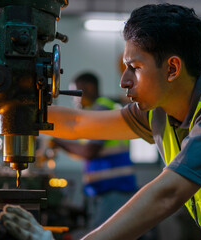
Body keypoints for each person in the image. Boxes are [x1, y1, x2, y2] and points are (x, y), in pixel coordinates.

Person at [0, 3, 201, 240]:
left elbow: (167, 194)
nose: (124, 81)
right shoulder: (160, 112)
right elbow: (77, 124)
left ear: (172, 68)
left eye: (134, 67)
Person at [51, 72, 138, 231]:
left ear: (89, 88)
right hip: (106, 191)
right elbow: (85, 154)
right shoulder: (96, 111)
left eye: (75, 92)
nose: (73, 99)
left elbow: (89, 151)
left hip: (114, 190)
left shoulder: (102, 108)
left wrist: (56, 141)